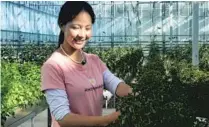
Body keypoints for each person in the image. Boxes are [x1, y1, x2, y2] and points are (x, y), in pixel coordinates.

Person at [41, 1, 132, 127]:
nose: (82, 35)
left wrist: (135, 94)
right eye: (76, 27)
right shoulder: (53, 66)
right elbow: (63, 117)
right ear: (62, 26)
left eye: (87, 28)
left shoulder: (94, 60)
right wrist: (106, 120)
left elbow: (115, 84)